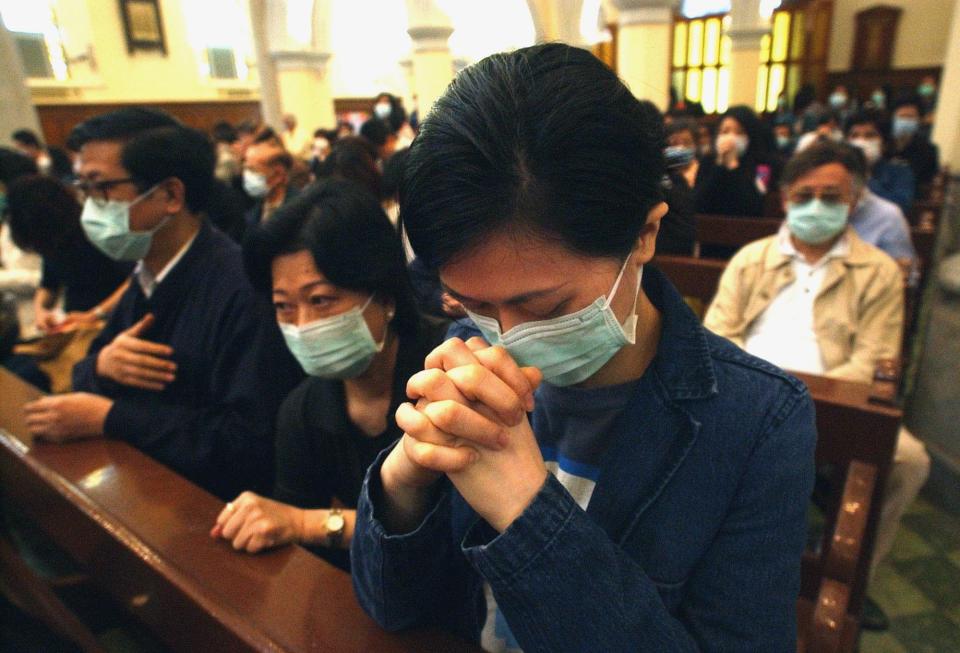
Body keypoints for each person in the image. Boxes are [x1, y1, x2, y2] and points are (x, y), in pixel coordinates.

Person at [350, 43, 815, 652]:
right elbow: (392, 606)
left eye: (544, 308)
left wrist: (527, 513)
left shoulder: (757, 423)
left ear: (644, 234)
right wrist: (403, 482)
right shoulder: (468, 349)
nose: (508, 336)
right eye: (475, 302)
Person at [703, 140, 927, 632]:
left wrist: (794, 398)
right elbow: (719, 335)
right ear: (785, 199)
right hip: (748, 389)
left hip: (834, 395)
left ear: (853, 200)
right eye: (805, 195)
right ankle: (713, 564)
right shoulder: (752, 258)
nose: (817, 206)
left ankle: (850, 575)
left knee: (909, 461)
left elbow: (874, 359)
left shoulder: (877, 270)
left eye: (831, 195)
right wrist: (754, 389)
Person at [23, 109, 302, 500]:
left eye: (101, 187)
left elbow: (247, 442)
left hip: (217, 508)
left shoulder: (242, 288)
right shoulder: (144, 276)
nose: (89, 206)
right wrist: (102, 368)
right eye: (82, 188)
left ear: (170, 195)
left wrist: (112, 417)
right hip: (150, 488)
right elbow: (87, 370)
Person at [209, 179, 447, 570]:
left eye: (321, 301)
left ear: (385, 297)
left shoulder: (445, 368)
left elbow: (452, 534)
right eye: (284, 307)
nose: (302, 325)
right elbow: (292, 532)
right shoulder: (301, 409)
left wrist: (313, 523)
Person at [5, 175, 132, 333]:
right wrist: (40, 311)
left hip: (116, 320)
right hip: (77, 324)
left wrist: (95, 314)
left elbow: (134, 279)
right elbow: (48, 284)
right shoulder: (50, 239)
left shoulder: (95, 230)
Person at [695, 105, 779, 218]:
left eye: (739, 132)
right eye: (725, 131)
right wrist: (720, 167)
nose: (731, 137)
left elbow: (753, 206)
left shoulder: (763, 165)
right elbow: (698, 203)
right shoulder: (708, 161)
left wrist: (733, 166)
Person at [660, 118, 698, 256]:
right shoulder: (664, 178)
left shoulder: (703, 171)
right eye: (674, 143)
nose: (680, 148)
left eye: (686, 143)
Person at [890, 95, 940, 192]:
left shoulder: (928, 150)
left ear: (919, 120)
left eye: (910, 117)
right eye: (901, 116)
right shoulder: (884, 144)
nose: (905, 121)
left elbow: (927, 183)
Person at [243, 135, 296, 225]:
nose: (246, 175)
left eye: (253, 170)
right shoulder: (251, 210)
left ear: (278, 175)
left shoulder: (301, 210)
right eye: (245, 169)